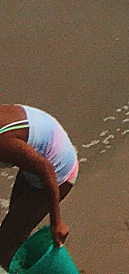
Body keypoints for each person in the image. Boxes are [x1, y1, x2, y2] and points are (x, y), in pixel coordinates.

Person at [0, 104, 77, 265]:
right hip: (36, 156)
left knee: (4, 245)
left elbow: (47, 170)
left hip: (58, 170)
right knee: (16, 226)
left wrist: (56, 222)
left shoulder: (3, 144)